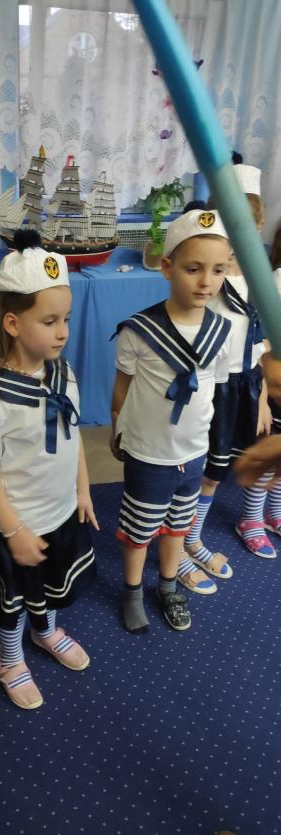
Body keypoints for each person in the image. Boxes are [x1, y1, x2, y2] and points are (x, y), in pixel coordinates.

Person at [0, 231, 98, 710]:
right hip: (17, 522)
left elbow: (73, 435)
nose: (63, 332)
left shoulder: (63, 373)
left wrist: (83, 489)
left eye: (66, 319)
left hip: (60, 510)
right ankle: (8, 657)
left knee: (48, 586)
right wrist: (15, 529)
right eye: (49, 321)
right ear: (13, 323)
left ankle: (45, 631)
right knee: (15, 598)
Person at [111, 209, 232, 632]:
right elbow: (122, 389)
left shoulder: (222, 331)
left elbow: (214, 392)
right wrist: (116, 429)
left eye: (218, 270)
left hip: (193, 451)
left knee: (178, 525)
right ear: (167, 267)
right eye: (193, 269)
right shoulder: (139, 330)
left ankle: (168, 586)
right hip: (149, 452)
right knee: (139, 530)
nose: (206, 282)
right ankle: (131, 591)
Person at [178, 159, 273, 592]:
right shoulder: (208, 278)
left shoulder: (258, 279)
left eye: (248, 226)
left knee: (221, 466)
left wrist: (262, 397)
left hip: (244, 384)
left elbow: (259, 342)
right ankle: (184, 540)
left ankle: (194, 536)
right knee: (201, 469)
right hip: (207, 384)